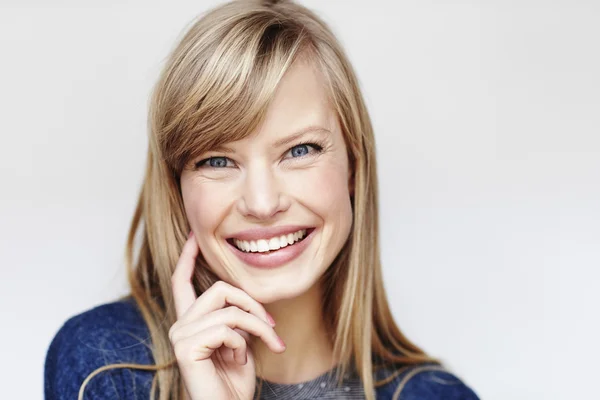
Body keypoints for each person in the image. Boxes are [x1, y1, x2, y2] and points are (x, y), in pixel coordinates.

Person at [44, 1, 480, 399]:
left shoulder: (437, 395)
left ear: (353, 167)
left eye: (300, 151)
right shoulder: (105, 365)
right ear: (177, 187)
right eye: (217, 160)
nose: (262, 202)